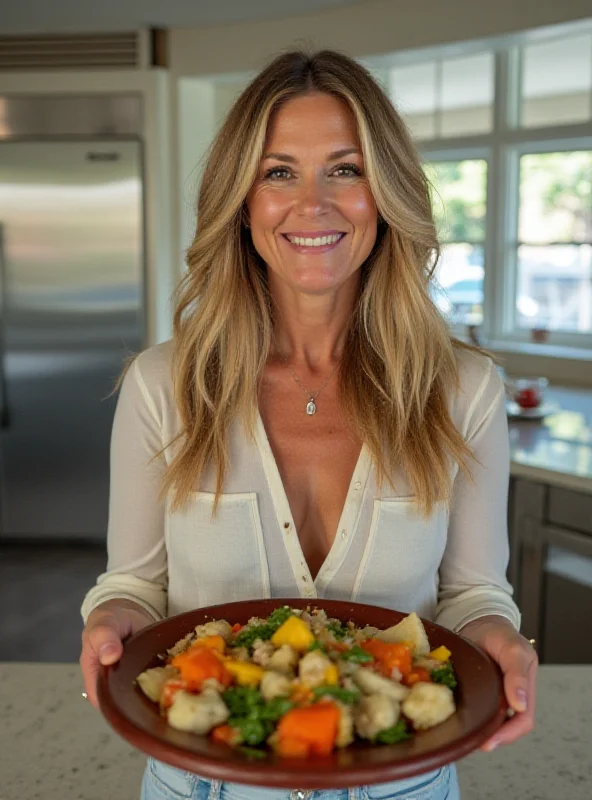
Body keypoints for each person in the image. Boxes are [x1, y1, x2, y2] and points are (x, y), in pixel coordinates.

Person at [80, 50, 538, 800]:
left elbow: (474, 596)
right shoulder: (164, 384)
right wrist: (112, 621)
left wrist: (500, 641)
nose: (313, 203)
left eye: (346, 169)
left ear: (385, 192)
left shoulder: (465, 389)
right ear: (242, 198)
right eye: (279, 171)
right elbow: (134, 585)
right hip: (202, 781)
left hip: (405, 782)